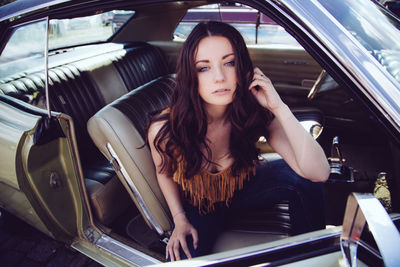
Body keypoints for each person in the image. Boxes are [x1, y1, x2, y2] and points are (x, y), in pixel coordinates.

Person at [147, 21, 330, 261]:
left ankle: (312, 258)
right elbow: (164, 172)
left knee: (305, 180)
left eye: (229, 63)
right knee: (180, 261)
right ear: (191, 75)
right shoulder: (166, 127)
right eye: (204, 68)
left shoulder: (253, 112)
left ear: (243, 68)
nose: (220, 77)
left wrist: (279, 107)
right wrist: (179, 219)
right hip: (199, 207)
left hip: (243, 189)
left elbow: (319, 173)